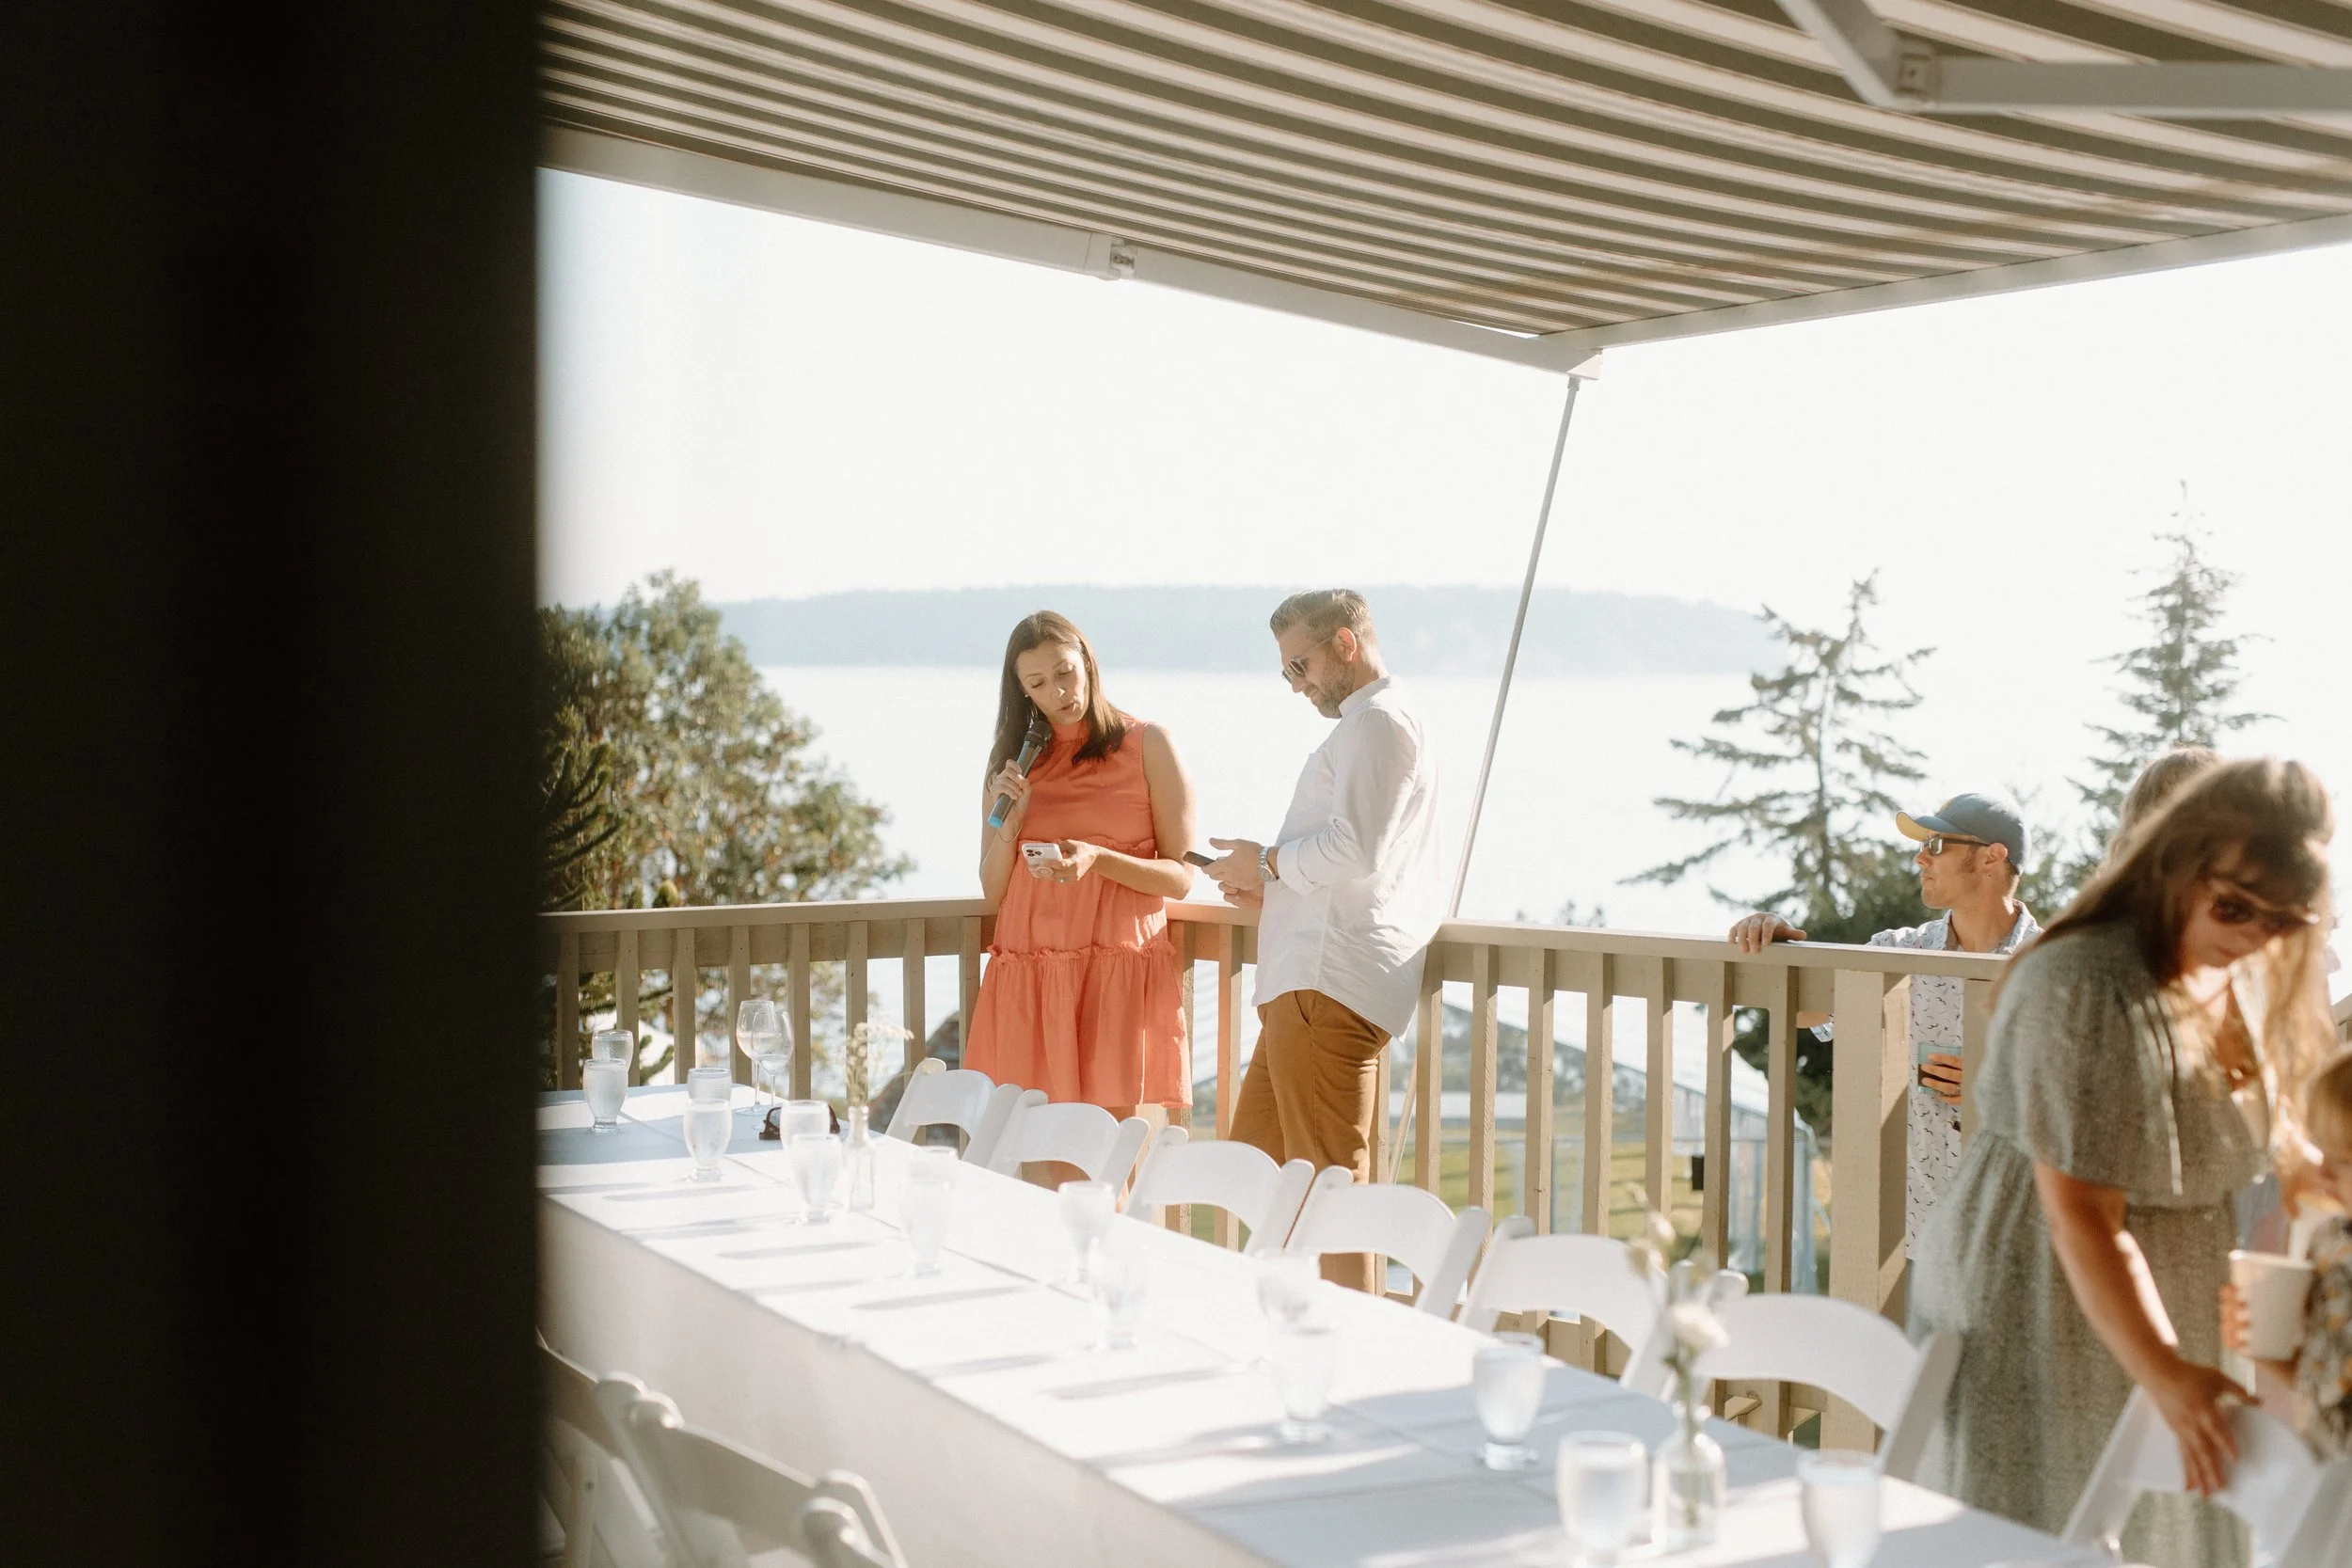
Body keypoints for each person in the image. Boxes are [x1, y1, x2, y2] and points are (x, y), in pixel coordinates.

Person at [1909, 758, 2336, 1562]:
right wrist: (2167, 1370)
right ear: (2173, 864)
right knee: (2045, 1529)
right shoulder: (2086, 984)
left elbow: (2255, 1114)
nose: (2256, 934)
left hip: (2157, 1293)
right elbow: (2081, 1216)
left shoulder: (2224, 961)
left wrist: (2312, 1174)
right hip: (2041, 1285)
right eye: (2237, 907)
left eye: (2282, 921)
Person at [1203, 590, 1443, 1291]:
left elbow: (1355, 846)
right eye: (1287, 673)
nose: (1299, 686)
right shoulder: (1374, 725)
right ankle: (1276, 1322)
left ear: (1346, 643)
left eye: (1301, 664)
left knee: (1333, 1192)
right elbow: (1353, 856)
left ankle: (1348, 1356)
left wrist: (1271, 863)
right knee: (1254, 1163)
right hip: (1305, 983)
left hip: (1325, 985)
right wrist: (1269, 882)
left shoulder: (1379, 723)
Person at [1727, 793, 2040, 1257]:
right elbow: (1801, 1012)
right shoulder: (1899, 954)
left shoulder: (2054, 966)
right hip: (1915, 1238)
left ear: (1992, 858)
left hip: (2022, 1238)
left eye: (1936, 845)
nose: (1920, 857)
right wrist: (1773, 944)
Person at [963, 612, 1195, 1122]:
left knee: (1106, 1152)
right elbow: (991, 888)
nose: (1059, 693)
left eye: (1065, 672)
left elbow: (1181, 876)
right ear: (1023, 692)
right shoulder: (1012, 764)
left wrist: (1099, 860)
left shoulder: (1148, 744)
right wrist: (1011, 825)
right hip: (1033, 975)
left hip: (1114, 969)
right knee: (1041, 1152)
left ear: (1087, 662)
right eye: (1038, 684)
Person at [2221, 1049, 2352, 1463]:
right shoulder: (2331, 1242)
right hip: (2327, 1479)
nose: (2323, 1173)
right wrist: (2261, 1343)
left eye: (2343, 1160)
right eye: (2322, 1152)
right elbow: (2321, 1384)